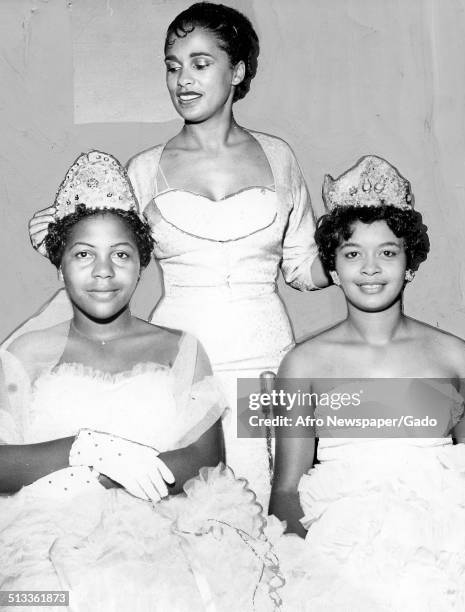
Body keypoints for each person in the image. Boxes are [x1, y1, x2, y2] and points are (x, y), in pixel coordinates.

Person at [27, 2, 328, 507]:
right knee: (187, 511)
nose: (182, 79)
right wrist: (58, 241)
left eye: (200, 63)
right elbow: (110, 269)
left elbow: (302, 268)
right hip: (181, 360)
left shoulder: (280, 156)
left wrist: (352, 254)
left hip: (266, 356)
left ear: (238, 71)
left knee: (269, 506)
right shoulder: (142, 169)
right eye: (172, 65)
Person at [0, 151, 284, 612]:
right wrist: (81, 449)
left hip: (166, 535)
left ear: (142, 263)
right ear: (59, 265)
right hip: (41, 539)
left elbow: (205, 457)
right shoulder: (25, 353)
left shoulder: (179, 347)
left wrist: (109, 474)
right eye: (84, 255)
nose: (104, 271)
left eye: (121, 255)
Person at [268, 155, 465, 610]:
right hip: (339, 547)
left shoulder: (455, 357)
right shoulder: (304, 364)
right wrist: (308, 571)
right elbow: (287, 488)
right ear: (332, 267)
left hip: (442, 547)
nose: (370, 268)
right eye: (353, 254)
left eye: (387, 252)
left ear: (410, 263)